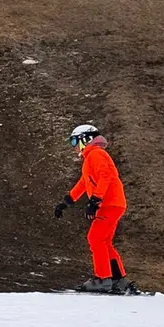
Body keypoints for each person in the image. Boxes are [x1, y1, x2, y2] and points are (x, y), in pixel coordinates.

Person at [53, 124, 131, 293]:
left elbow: (106, 176)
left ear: (85, 139)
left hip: (108, 204)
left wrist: (95, 201)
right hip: (112, 204)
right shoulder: (91, 157)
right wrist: (66, 202)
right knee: (104, 242)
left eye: (75, 141)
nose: (74, 147)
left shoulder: (95, 154)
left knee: (95, 238)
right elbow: (84, 183)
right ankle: (118, 279)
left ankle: (103, 279)